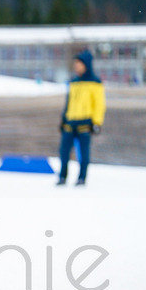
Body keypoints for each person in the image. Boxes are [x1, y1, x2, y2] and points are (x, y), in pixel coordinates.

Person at [57, 50, 105, 187]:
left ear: (86, 65)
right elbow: (68, 102)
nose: (76, 66)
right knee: (64, 151)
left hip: (85, 123)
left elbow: (99, 104)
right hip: (70, 122)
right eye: (75, 63)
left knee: (83, 153)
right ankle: (62, 176)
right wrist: (63, 119)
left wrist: (97, 122)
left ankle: (82, 177)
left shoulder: (95, 83)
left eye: (79, 63)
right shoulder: (74, 82)